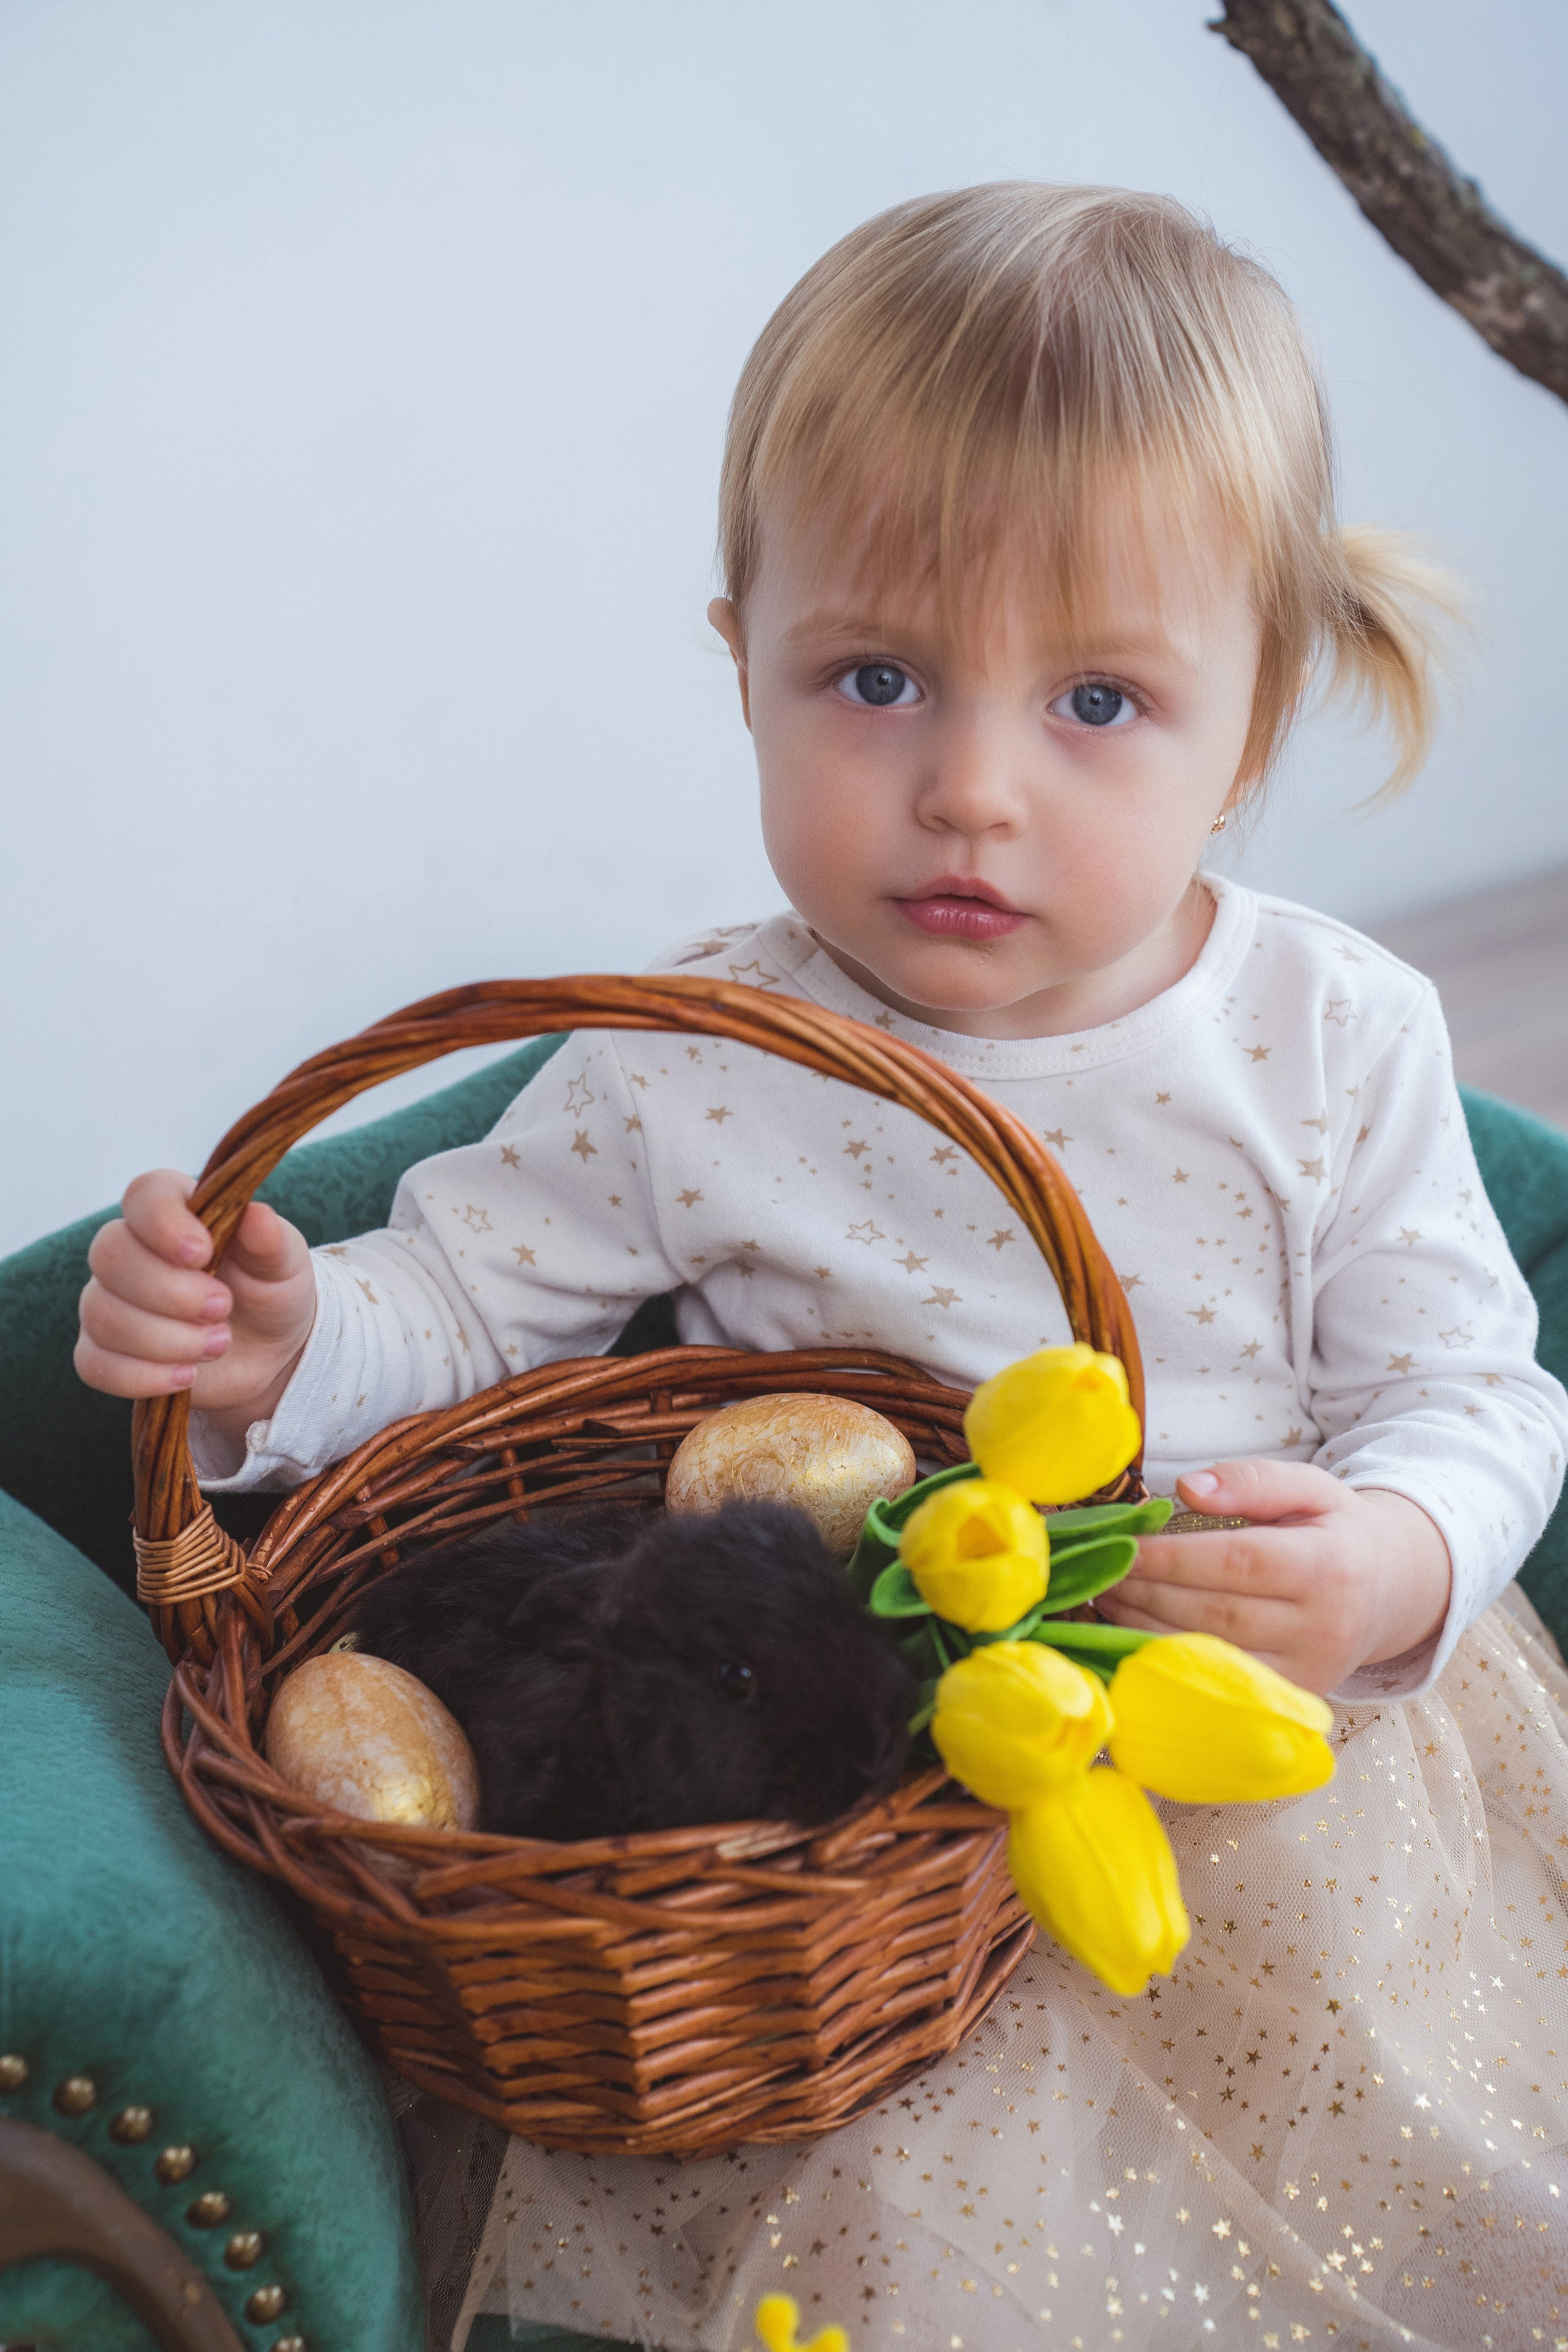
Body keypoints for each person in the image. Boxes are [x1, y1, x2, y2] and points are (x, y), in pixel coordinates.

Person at [78, 186, 1568, 2349]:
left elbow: (1481, 1384)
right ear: (744, 667)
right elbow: (471, 1312)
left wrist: (1405, 1558)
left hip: (1259, 1788)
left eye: (1098, 701)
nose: (967, 790)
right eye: (873, 678)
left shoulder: (1333, 1039)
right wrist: (277, 1350)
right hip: (834, 1855)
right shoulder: (699, 1055)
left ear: (1255, 728)